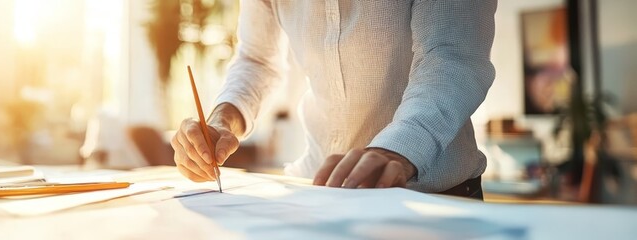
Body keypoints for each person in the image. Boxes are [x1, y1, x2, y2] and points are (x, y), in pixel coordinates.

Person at [171, 1, 497, 200]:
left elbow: (451, 55)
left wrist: (398, 149)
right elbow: (257, 60)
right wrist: (221, 121)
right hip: (318, 192)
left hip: (434, 199)